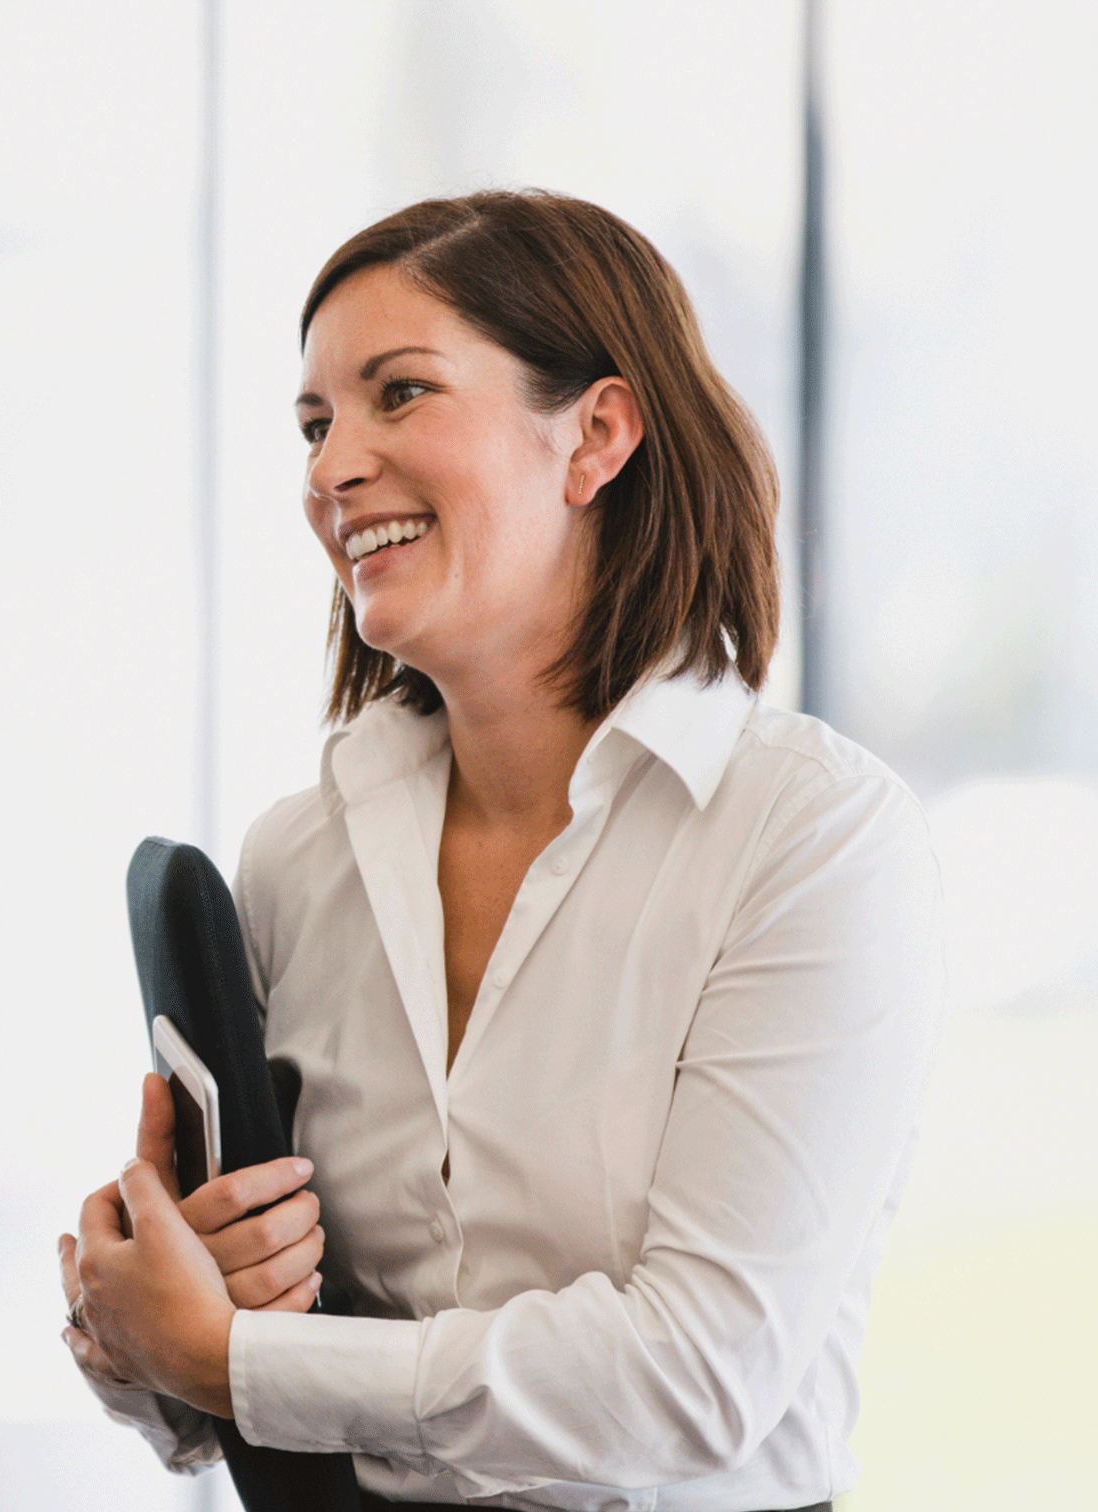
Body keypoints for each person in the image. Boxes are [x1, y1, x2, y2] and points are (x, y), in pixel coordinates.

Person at [60, 192, 941, 1510]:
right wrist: (147, 1318)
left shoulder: (810, 839)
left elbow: (699, 1377)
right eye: (314, 424)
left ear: (596, 435)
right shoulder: (298, 859)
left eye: (399, 394)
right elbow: (211, 1382)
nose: (331, 469)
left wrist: (237, 1359)